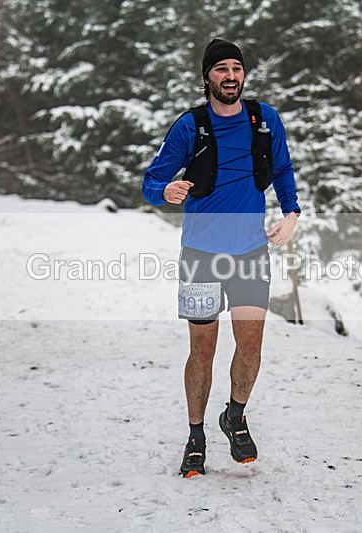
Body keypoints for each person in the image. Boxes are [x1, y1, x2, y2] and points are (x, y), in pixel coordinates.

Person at [142, 38, 301, 478]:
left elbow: (283, 170)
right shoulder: (190, 126)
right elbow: (151, 182)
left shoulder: (264, 119)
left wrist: (291, 214)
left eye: (236, 68)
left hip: (250, 253)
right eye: (221, 69)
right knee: (203, 351)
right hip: (201, 256)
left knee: (251, 345)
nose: (230, 76)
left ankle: (235, 416)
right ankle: (195, 437)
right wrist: (165, 190)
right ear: (206, 77)